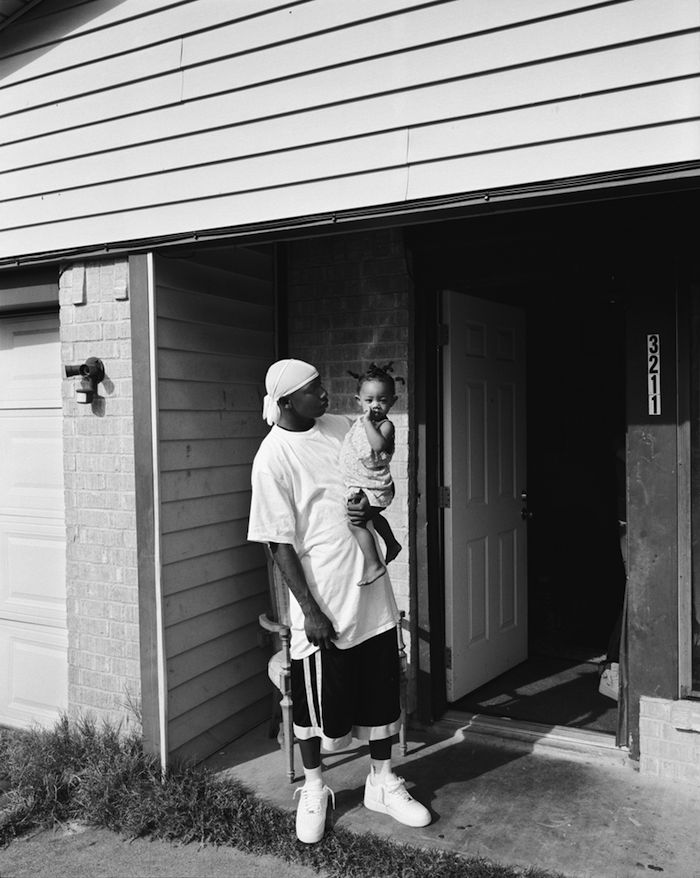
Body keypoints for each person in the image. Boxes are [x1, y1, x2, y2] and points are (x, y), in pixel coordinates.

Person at [247, 358, 430, 845]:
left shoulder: (341, 426)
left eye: (322, 386)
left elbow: (371, 472)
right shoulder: (273, 458)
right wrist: (309, 610)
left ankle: (382, 781)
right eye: (313, 389)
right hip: (324, 598)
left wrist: (370, 504)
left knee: (379, 689)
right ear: (287, 401)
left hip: (369, 589)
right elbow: (278, 542)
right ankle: (314, 789)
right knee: (315, 702)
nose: (324, 394)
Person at [340, 362, 403, 586]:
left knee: (356, 523)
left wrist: (367, 422)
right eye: (369, 400)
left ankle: (374, 564)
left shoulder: (385, 425)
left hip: (374, 485)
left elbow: (377, 446)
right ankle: (392, 543)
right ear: (359, 401)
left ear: (393, 402)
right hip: (362, 483)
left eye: (382, 400)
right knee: (373, 518)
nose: (375, 405)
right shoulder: (358, 424)